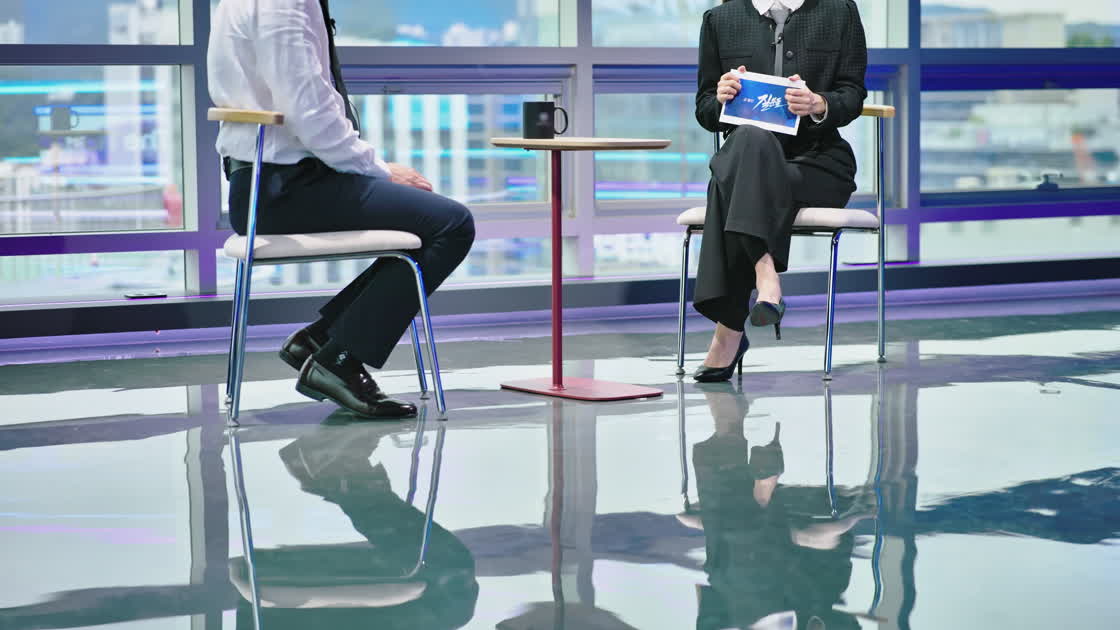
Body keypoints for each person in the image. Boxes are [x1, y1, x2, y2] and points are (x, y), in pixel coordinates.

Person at [208, 0, 476, 418]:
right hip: (286, 188)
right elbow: (309, 112)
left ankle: (323, 340)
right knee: (452, 224)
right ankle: (338, 359)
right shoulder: (283, 3)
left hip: (269, 183)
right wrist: (381, 171)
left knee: (433, 222)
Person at [692, 0, 868, 382]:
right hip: (748, 161)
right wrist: (720, 98)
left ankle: (729, 331)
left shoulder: (839, 11)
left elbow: (853, 94)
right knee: (750, 141)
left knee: (730, 185)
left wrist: (819, 103)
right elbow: (704, 108)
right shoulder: (721, 18)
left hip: (817, 164)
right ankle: (765, 276)